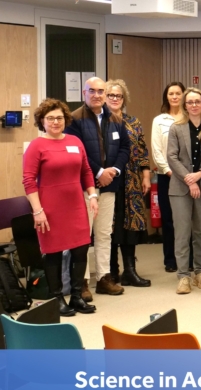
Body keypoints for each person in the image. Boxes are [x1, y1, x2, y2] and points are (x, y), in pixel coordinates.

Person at [23, 99, 99, 316]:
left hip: (76, 205)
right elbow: (28, 181)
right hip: (49, 208)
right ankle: (57, 298)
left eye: (59, 118)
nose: (55, 122)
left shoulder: (75, 141)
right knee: (54, 253)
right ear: (42, 121)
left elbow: (86, 171)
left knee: (81, 249)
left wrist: (92, 195)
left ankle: (76, 296)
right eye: (50, 118)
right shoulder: (37, 146)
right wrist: (38, 211)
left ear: (65, 120)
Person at [65, 77, 129, 297]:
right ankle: (81, 282)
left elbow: (125, 148)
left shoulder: (116, 118)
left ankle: (103, 278)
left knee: (104, 233)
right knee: (84, 235)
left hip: (109, 185)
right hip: (84, 187)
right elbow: (78, 152)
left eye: (101, 91)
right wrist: (100, 172)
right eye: (92, 91)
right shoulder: (74, 119)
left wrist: (114, 171)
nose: (97, 95)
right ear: (84, 93)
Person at [165, 87, 201, 294]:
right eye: (190, 102)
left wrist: (200, 174)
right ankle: (183, 276)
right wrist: (190, 179)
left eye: (197, 101)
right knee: (182, 232)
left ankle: (199, 272)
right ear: (185, 105)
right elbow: (172, 157)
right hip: (180, 187)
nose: (194, 105)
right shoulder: (176, 128)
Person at [104, 79, 152, 289]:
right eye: (111, 95)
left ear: (124, 99)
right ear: (104, 98)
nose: (115, 99)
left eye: (119, 96)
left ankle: (130, 271)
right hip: (107, 180)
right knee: (109, 225)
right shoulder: (100, 121)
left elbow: (142, 151)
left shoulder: (133, 122)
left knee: (130, 223)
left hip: (131, 179)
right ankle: (111, 271)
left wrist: (146, 176)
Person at [151, 81, 185, 273]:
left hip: (188, 177)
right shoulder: (159, 120)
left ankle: (187, 258)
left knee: (187, 220)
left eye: (178, 93)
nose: (174, 97)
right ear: (166, 97)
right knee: (169, 219)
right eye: (171, 93)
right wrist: (169, 171)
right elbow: (156, 151)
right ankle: (170, 259)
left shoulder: (190, 118)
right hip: (167, 176)